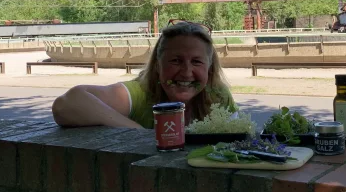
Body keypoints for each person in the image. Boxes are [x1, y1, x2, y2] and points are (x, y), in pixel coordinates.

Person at [51, 21, 236, 128]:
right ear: (157, 65)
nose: (186, 72)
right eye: (175, 61)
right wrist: (139, 134)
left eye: (196, 62)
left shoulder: (217, 96)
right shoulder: (139, 94)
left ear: (209, 68)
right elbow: (66, 105)